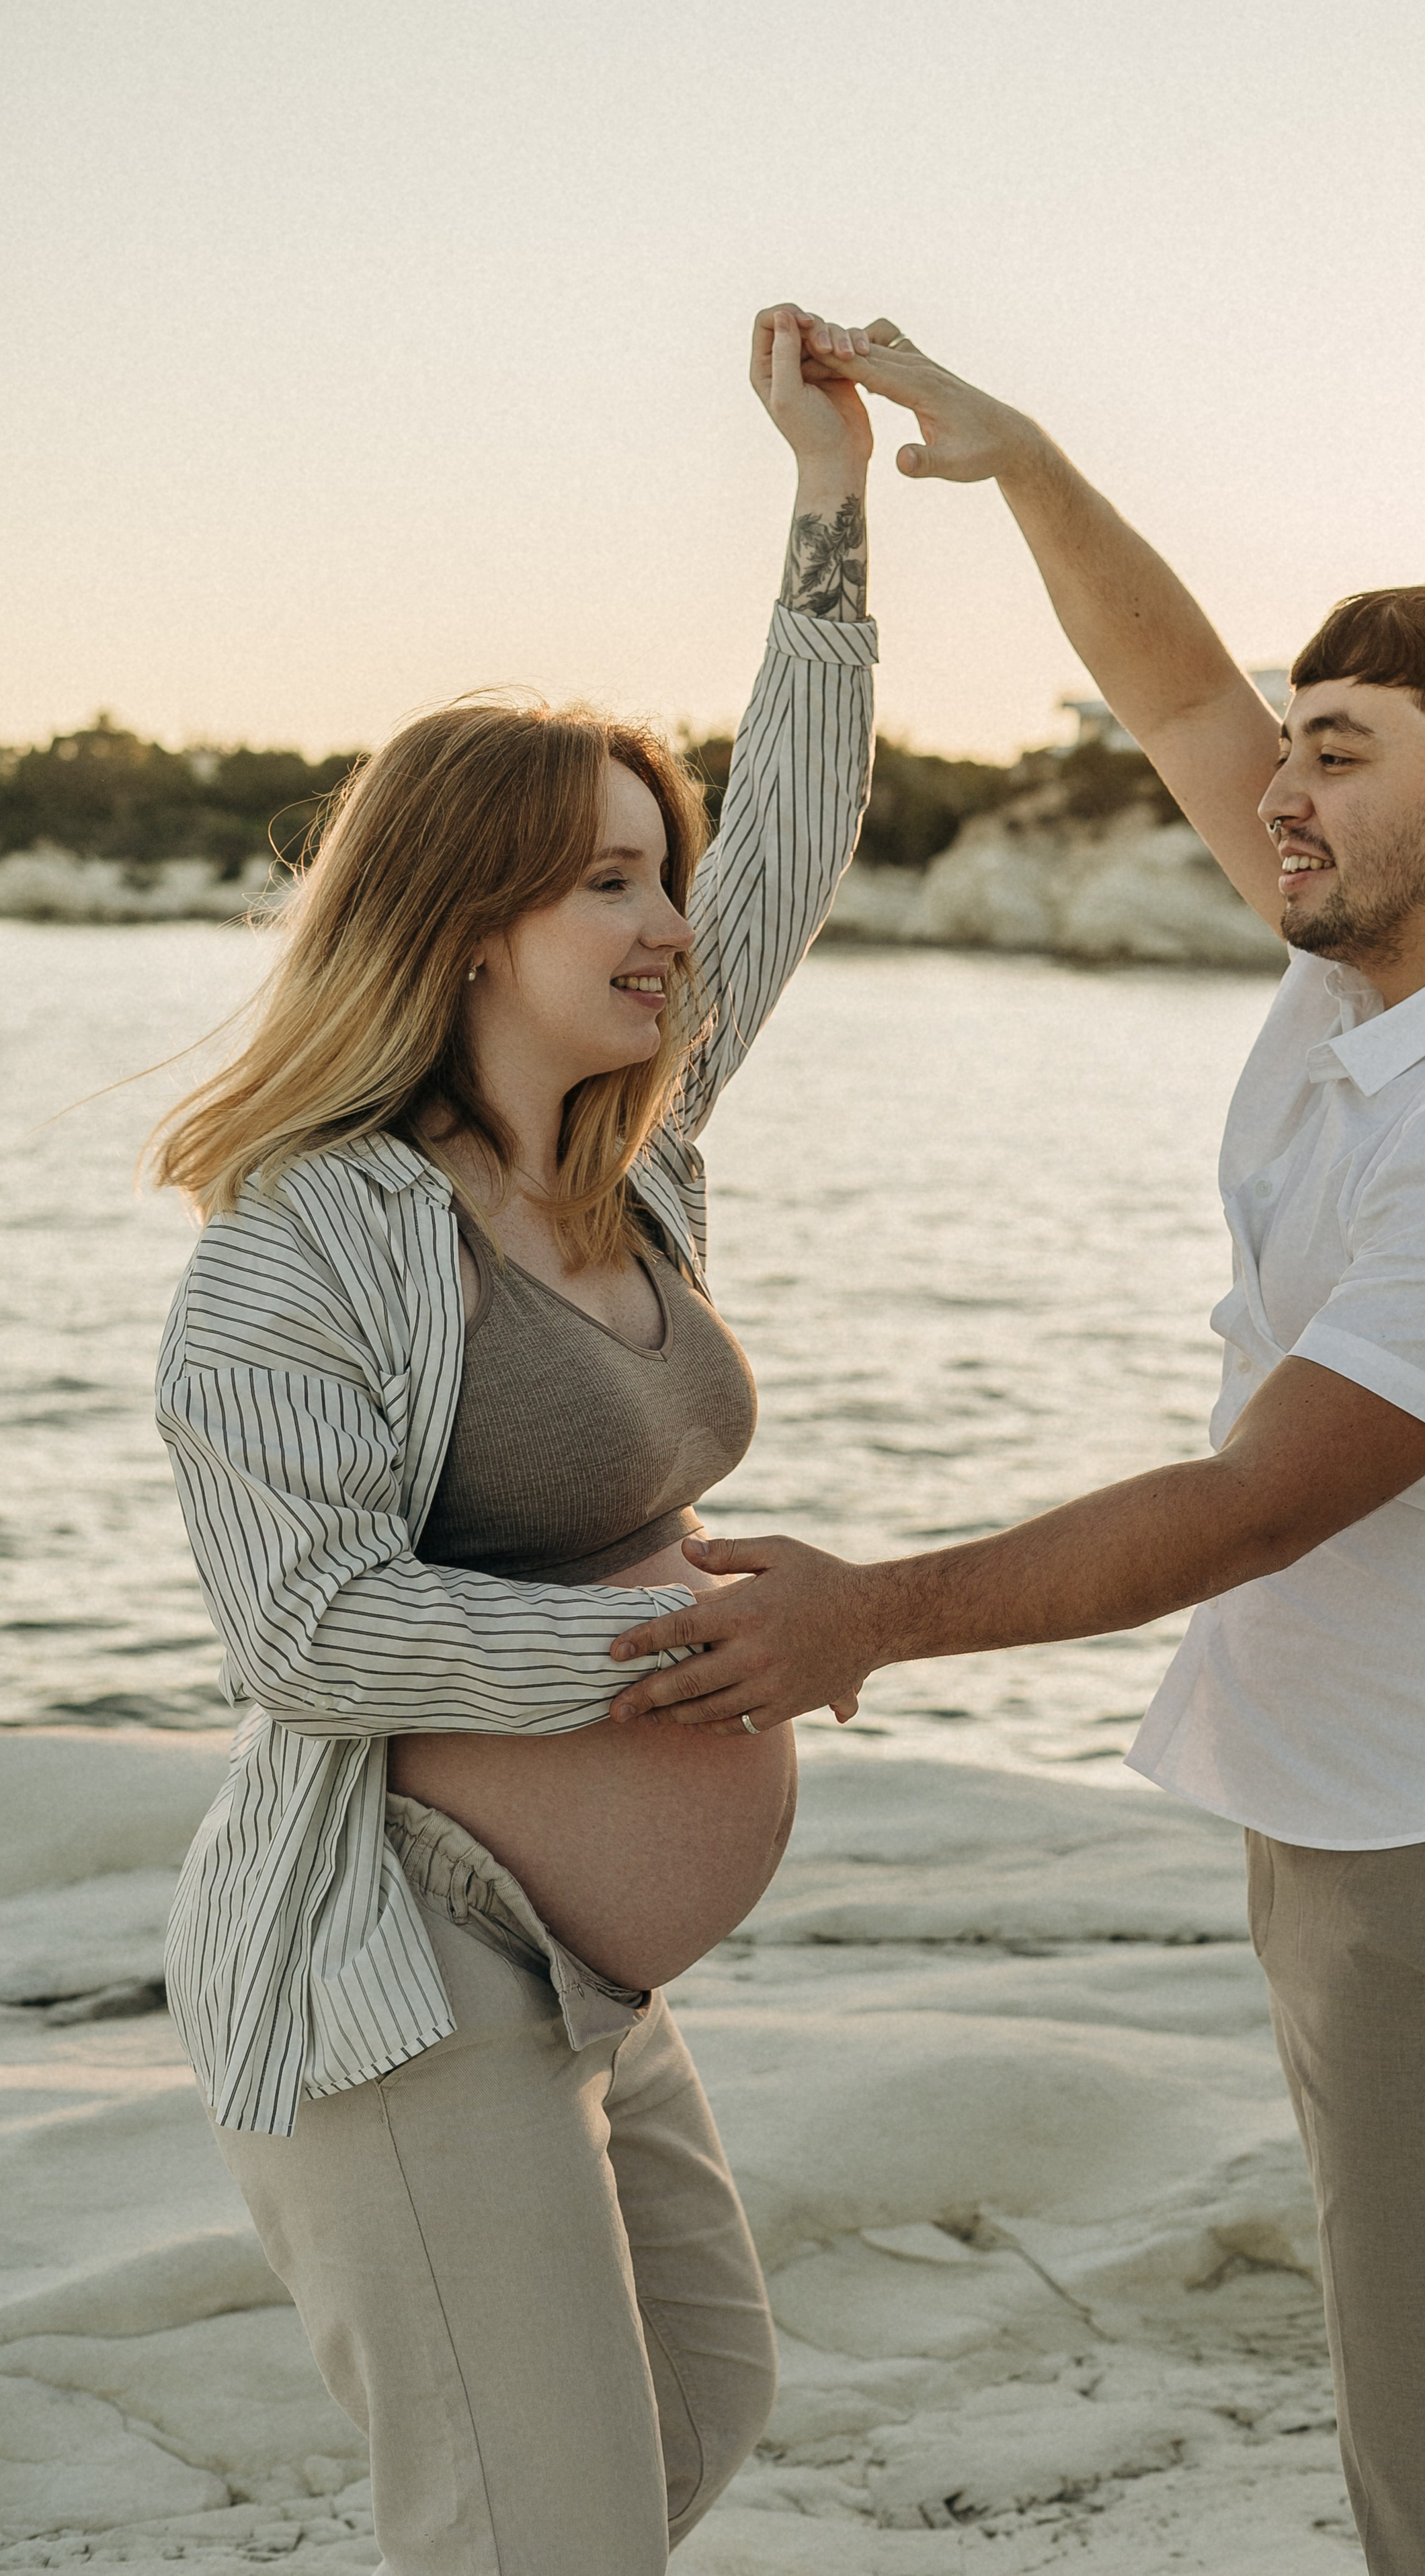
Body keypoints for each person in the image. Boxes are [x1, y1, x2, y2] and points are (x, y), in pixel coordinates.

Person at [606, 325, 1425, 2576]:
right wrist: (1021, 464)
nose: (1276, 789)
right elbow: (1184, 699)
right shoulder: (1424, 950)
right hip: (1382, 1808)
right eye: (1298, 741)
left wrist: (868, 1615)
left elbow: (1254, 1501)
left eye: (1345, 752)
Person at [149, 304, 876, 2576]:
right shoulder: (307, 1244)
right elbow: (306, 1631)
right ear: (467, 923)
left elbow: (796, 852)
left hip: (583, 1967)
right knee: (538, 2529)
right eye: (611, 882)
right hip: (393, 1956)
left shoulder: (629, 1171)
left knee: (702, 2400)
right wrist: (679, 1667)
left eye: (664, 869)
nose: (674, 921)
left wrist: (829, 506)